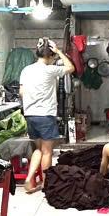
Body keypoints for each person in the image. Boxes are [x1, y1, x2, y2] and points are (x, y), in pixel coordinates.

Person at [19, 38, 75, 193]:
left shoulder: (26, 70)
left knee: (38, 149)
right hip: (45, 115)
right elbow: (70, 68)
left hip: (30, 114)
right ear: (50, 56)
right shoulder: (50, 70)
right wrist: (58, 51)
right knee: (47, 152)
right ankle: (46, 184)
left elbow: (21, 92)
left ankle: (29, 179)